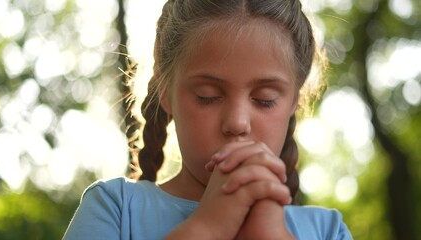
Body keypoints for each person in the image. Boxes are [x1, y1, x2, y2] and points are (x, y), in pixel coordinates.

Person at [63, 0, 353, 239]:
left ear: (293, 102)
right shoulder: (114, 207)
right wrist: (207, 228)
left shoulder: (326, 230)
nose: (238, 123)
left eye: (264, 99)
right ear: (166, 93)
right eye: (207, 96)